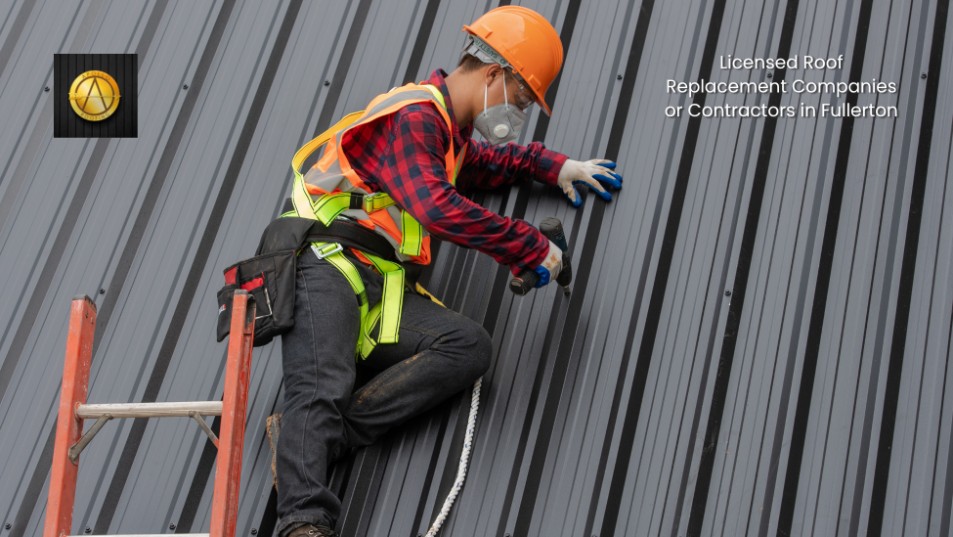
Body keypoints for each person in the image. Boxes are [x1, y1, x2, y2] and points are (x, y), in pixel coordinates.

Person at [274, 6, 623, 537]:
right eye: (522, 98)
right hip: (323, 263)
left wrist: (557, 167)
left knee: (468, 347)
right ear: (492, 75)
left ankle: (316, 440)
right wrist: (525, 244)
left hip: (379, 286)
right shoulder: (415, 116)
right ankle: (303, 523)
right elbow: (437, 207)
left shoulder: (449, 139)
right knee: (321, 384)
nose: (520, 112)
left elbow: (492, 165)